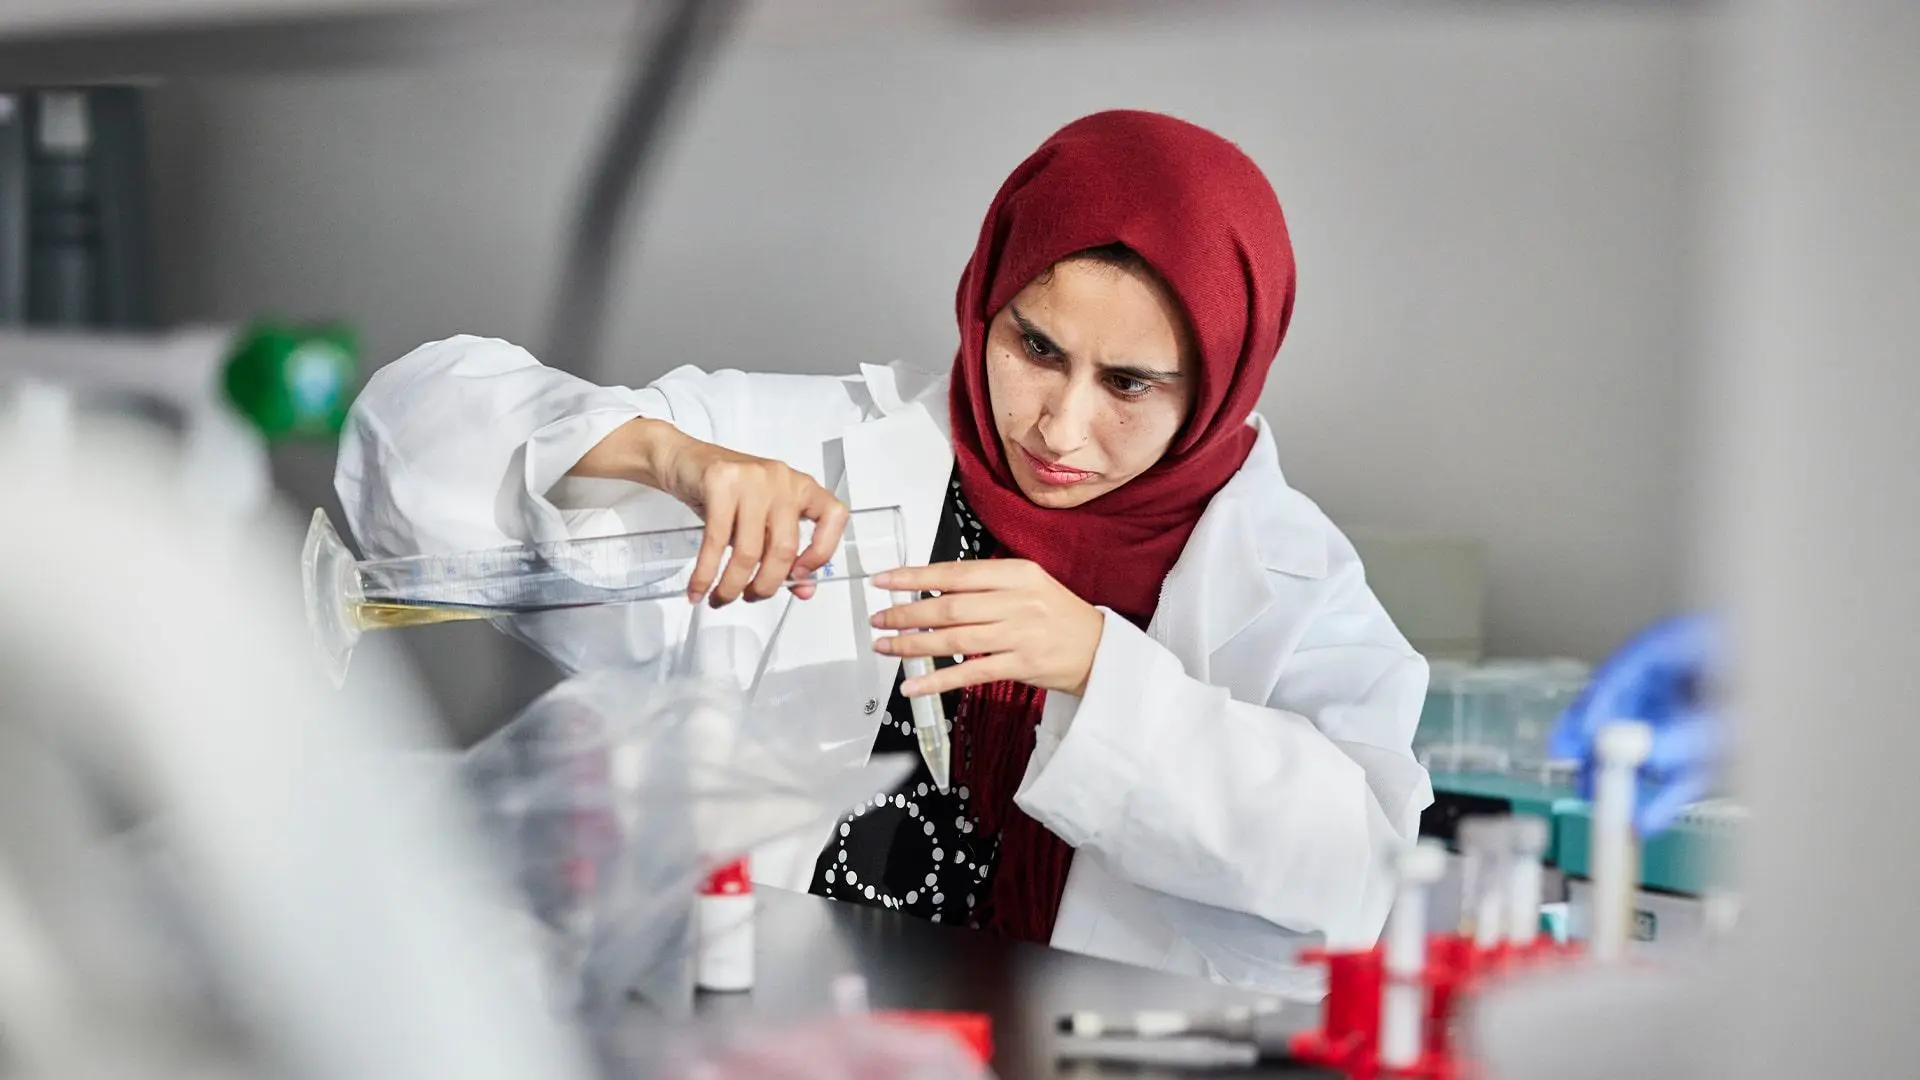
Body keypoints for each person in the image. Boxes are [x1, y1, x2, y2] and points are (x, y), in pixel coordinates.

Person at [335, 110, 1431, 992]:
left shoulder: (1291, 580)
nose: (1058, 426)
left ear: (1222, 382)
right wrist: (666, 457)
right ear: (986, 303)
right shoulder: (806, 452)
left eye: (1130, 384)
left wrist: (1100, 667)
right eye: (1034, 347)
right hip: (772, 1042)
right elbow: (411, 440)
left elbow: (1358, 881)